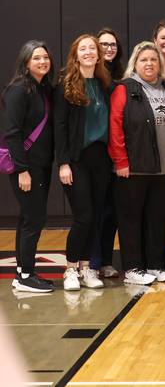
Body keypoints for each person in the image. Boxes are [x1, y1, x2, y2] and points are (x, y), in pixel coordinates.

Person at [108, 41, 165, 285]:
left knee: (158, 219)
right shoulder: (125, 88)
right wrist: (121, 161)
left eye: (153, 60)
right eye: (144, 60)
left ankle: (155, 264)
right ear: (135, 63)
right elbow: (115, 125)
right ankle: (133, 268)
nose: (149, 64)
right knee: (131, 220)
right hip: (134, 168)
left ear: (160, 63)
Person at [54, 35, 111, 291]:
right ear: (76, 55)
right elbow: (60, 127)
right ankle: (70, 268)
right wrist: (63, 163)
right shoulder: (66, 85)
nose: (88, 52)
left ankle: (87, 268)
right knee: (83, 216)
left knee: (96, 214)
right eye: (83, 49)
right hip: (76, 158)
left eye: (92, 49)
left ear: (98, 55)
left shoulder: (103, 83)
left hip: (100, 158)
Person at [4, 41, 55, 293]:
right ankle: (25, 275)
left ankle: (22, 273)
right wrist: (22, 169)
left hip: (40, 166)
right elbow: (12, 134)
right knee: (35, 218)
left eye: (45, 57)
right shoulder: (18, 90)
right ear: (26, 62)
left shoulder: (42, 89)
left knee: (28, 219)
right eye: (37, 58)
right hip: (26, 168)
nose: (43, 61)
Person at [93, 28, 124, 278]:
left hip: (118, 153)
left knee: (113, 211)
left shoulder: (123, 76)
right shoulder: (91, 76)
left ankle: (105, 259)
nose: (108, 48)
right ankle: (92, 262)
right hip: (96, 154)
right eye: (103, 44)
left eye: (112, 44)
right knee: (95, 211)